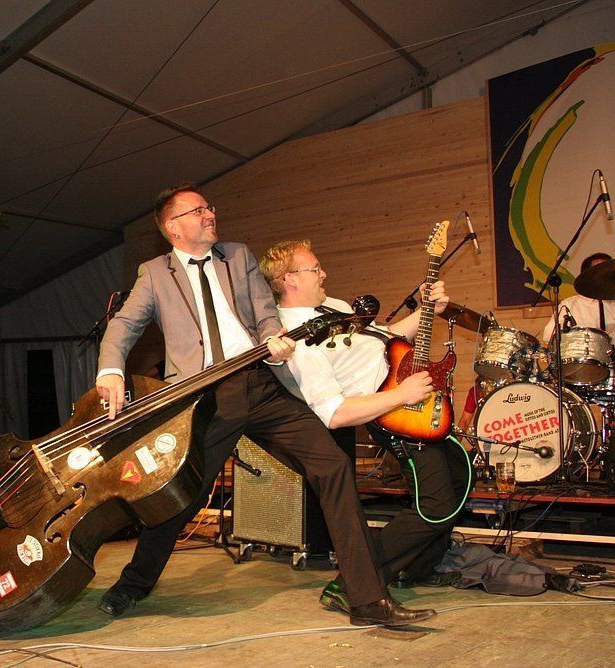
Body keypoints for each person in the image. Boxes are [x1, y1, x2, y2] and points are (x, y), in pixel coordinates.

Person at [95, 183, 434, 627]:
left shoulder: (238, 256)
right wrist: (111, 370)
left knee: (333, 466)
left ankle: (368, 600)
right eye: (198, 211)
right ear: (173, 227)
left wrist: (274, 340)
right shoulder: (155, 273)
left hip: (260, 382)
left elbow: (264, 314)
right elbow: (124, 324)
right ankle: (133, 585)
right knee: (183, 494)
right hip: (206, 397)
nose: (210, 214)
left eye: (209, 207)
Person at [258, 240, 471, 612]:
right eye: (315, 269)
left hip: (412, 401)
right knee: (435, 506)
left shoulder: (334, 307)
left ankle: (415, 568)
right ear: (290, 279)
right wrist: (401, 395)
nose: (324, 274)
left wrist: (427, 310)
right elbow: (334, 413)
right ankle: (351, 583)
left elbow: (387, 338)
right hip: (395, 415)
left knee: (459, 477)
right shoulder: (295, 339)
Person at [541, 252, 615, 428]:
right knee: (552, 393)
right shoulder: (571, 304)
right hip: (579, 373)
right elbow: (549, 336)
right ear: (586, 277)